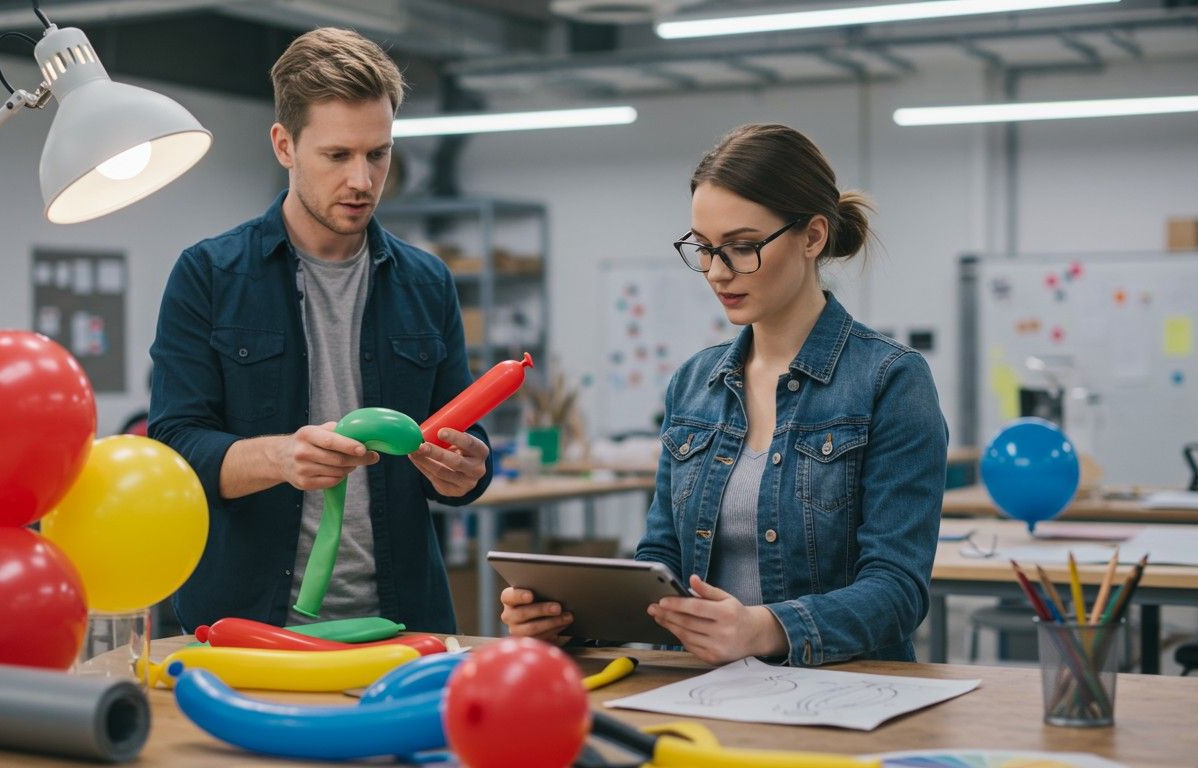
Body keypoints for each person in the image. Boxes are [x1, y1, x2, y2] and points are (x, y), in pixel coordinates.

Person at [500, 124, 947, 666]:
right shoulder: (695, 383)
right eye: (705, 249)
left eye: (741, 247)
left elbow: (898, 590)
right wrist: (573, 621)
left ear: (812, 237)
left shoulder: (890, 380)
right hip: (696, 687)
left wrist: (765, 629)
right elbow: (661, 559)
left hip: (843, 690)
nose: (716, 272)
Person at [150, 27, 492, 634]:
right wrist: (282, 457)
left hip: (403, 625)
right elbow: (176, 451)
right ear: (284, 145)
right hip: (250, 627)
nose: (362, 180)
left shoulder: (428, 282)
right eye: (338, 156)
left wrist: (467, 470)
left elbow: (462, 438)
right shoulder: (209, 275)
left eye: (378, 154)